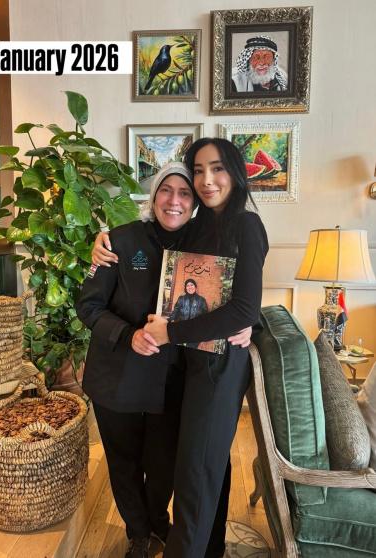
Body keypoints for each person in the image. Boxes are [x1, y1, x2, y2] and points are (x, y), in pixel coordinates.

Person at [92, 138, 268, 558]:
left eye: (217, 169)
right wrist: (102, 240)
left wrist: (248, 321)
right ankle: (203, 547)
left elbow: (244, 302)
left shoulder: (244, 224)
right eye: (199, 171)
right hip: (176, 368)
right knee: (205, 468)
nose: (207, 181)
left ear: (235, 172)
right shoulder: (197, 227)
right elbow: (224, 296)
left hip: (213, 366)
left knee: (193, 473)